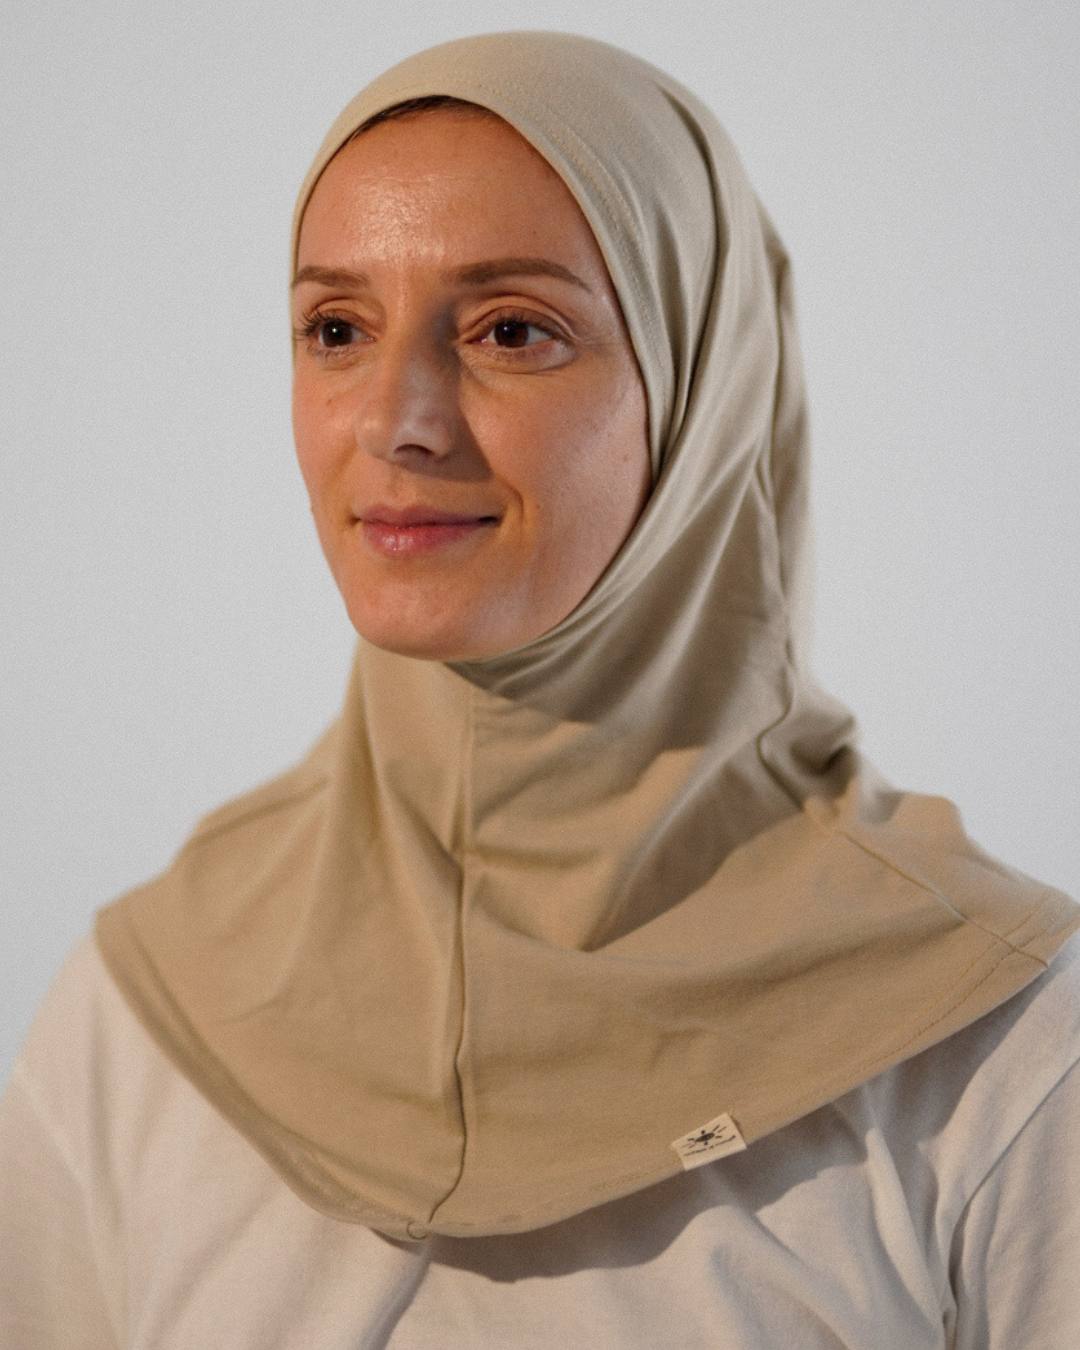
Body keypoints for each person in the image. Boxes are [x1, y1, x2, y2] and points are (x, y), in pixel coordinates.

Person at [2, 30, 1079, 1348]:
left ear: (699, 394)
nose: (393, 419)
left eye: (512, 329)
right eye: (336, 328)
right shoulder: (144, 1017)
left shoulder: (990, 1048)